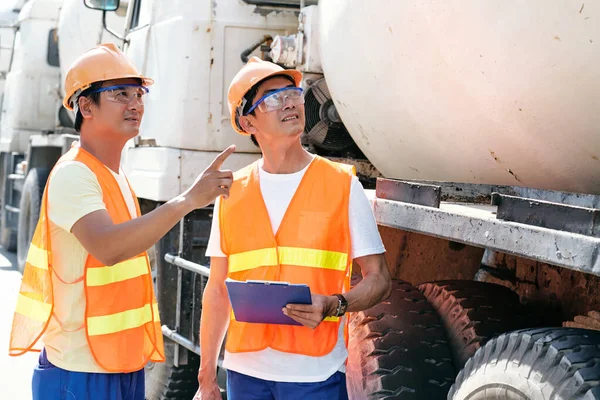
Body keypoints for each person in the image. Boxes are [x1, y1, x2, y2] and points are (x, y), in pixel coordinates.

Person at [8, 43, 235, 400]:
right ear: (86, 106)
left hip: (118, 365)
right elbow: (110, 247)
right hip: (79, 371)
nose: (136, 104)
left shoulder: (114, 176)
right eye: (120, 94)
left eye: (139, 93)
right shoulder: (74, 174)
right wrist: (188, 200)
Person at [194, 57, 393, 400]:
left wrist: (335, 303)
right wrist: (207, 374)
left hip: (316, 375)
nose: (288, 102)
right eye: (272, 98)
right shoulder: (232, 191)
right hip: (245, 374)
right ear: (247, 121)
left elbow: (379, 279)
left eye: (293, 93)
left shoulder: (342, 185)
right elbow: (216, 291)